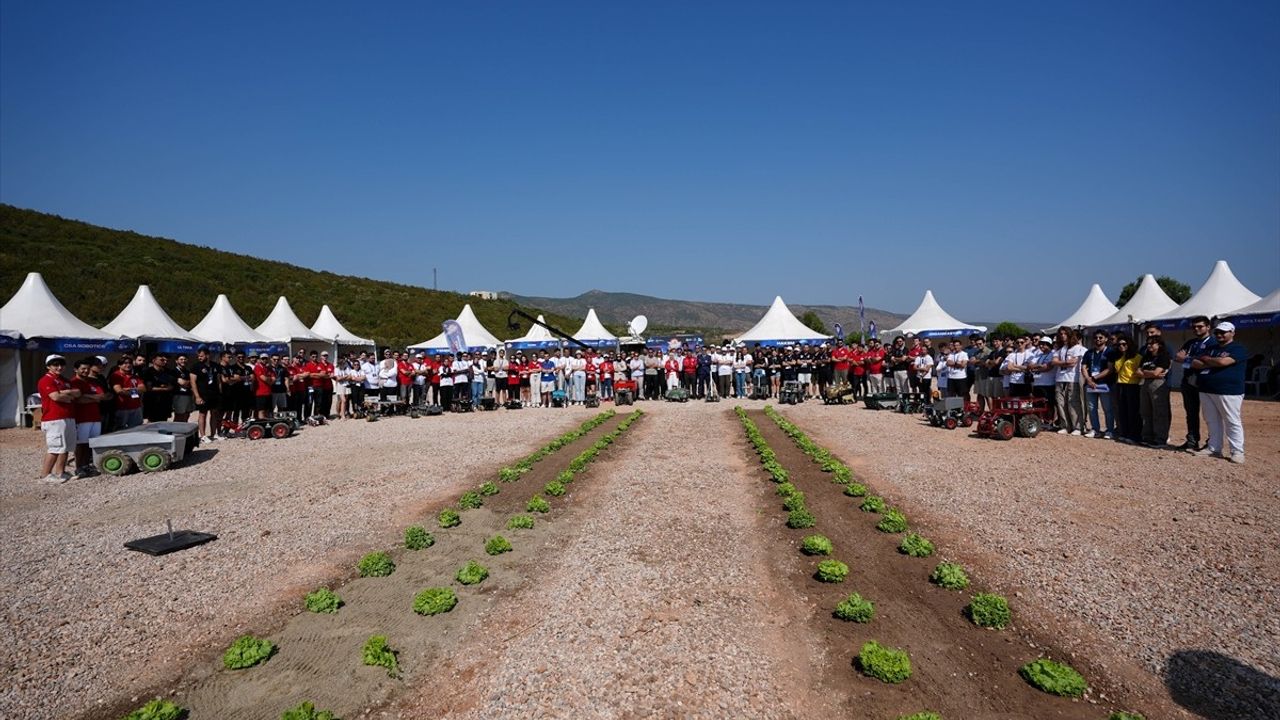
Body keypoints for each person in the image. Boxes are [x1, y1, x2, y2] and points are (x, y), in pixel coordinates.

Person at [1190, 322, 1247, 464]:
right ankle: (1214, 447)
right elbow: (1194, 362)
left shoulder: (1237, 348)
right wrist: (1212, 361)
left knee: (1231, 421)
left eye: (1223, 332)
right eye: (1217, 332)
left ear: (1232, 333)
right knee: (1211, 420)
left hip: (1228, 390)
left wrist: (1208, 360)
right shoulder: (1211, 347)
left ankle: (1237, 451)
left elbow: (1223, 362)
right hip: (1206, 388)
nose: (1219, 335)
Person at [37, 355, 80, 483]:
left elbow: (77, 393)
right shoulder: (46, 380)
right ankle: (45, 475)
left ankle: (60, 472)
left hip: (68, 416)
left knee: (65, 447)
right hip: (54, 418)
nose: (59, 367)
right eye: (55, 365)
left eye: (61, 365)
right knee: (55, 447)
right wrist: (68, 394)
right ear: (48, 366)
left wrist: (65, 393)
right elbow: (55, 396)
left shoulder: (64, 380)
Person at [1174, 315, 1212, 451]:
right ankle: (1192, 440)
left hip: (1205, 382)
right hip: (1188, 381)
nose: (1196, 329)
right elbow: (1178, 357)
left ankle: (1212, 442)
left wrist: (1188, 359)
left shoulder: (1213, 342)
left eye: (1200, 326)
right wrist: (1193, 360)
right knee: (1191, 413)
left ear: (1208, 327)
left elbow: (1205, 363)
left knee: (1209, 414)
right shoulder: (1191, 342)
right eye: (1194, 327)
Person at [70, 357, 107, 478]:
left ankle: (87, 465)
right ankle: (79, 467)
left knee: (91, 443)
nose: (85, 371)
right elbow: (78, 399)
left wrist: (88, 397)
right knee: (81, 444)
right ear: (76, 369)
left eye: (87, 369)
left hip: (95, 417)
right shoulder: (74, 382)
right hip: (82, 418)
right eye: (83, 369)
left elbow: (102, 396)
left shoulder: (92, 382)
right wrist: (93, 397)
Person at [1138, 335, 1172, 447]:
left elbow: (1157, 373)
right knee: (1146, 411)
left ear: (1159, 345)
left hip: (1158, 385)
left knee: (1159, 412)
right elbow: (1137, 371)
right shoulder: (1146, 356)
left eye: (1152, 344)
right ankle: (1147, 436)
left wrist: (1146, 372)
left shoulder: (1163, 356)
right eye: (1148, 344)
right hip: (1145, 383)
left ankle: (1160, 438)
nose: (1149, 346)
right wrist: (1150, 373)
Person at [1051, 329, 1087, 435]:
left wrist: (1060, 362)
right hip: (1060, 378)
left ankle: (1077, 427)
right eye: (1061, 334)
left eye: (1065, 334)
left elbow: (1073, 363)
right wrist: (1065, 362)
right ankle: (1064, 425)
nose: (1062, 336)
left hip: (1073, 378)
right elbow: (1053, 361)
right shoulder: (1061, 349)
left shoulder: (1079, 349)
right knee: (1060, 403)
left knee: (1073, 403)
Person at [1081, 331, 1115, 439]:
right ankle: (1095, 429)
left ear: (1106, 339)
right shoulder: (1089, 352)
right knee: (1092, 408)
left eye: (1101, 337)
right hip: (1090, 384)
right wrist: (1088, 379)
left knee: (1107, 409)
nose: (1098, 339)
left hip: (1105, 384)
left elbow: (1110, 369)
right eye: (1096, 337)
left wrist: (1094, 378)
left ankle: (1109, 430)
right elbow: (1083, 367)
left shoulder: (1110, 351)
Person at [1112, 333, 1143, 444]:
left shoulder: (1137, 357)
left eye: (1124, 344)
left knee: (1133, 411)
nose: (1121, 346)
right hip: (1120, 384)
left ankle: (1134, 435)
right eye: (1119, 344)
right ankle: (1125, 432)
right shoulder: (1120, 356)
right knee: (1122, 410)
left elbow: (1139, 372)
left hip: (1132, 385)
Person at [191, 347, 221, 441]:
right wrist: (197, 396)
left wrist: (220, 393)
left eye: (201, 356)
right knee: (203, 414)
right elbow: (193, 382)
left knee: (214, 413)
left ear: (207, 355)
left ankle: (213, 434)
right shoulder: (196, 366)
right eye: (198, 356)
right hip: (203, 394)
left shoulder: (215, 365)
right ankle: (203, 436)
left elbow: (218, 380)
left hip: (214, 394)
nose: (199, 358)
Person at [110, 358, 146, 429]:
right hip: (122, 408)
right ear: (119, 365)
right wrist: (136, 391)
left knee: (137, 429)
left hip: (136, 407)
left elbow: (143, 389)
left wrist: (129, 389)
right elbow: (119, 391)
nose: (128, 365)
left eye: (130, 363)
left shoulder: (135, 376)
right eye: (125, 363)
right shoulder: (116, 375)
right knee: (120, 430)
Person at [140, 354, 176, 423]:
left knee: (164, 421)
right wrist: (164, 388)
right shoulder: (148, 371)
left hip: (165, 401)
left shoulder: (168, 371)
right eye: (162, 360)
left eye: (165, 360)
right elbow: (148, 388)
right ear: (154, 360)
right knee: (152, 422)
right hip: (153, 401)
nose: (164, 362)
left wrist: (165, 387)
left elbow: (171, 384)